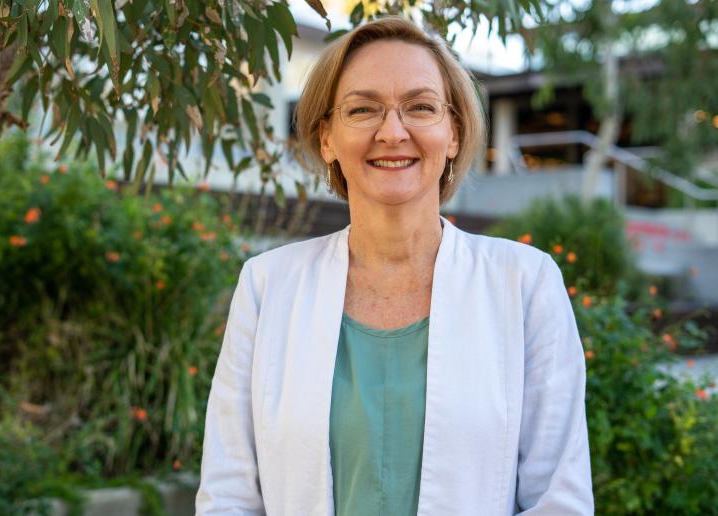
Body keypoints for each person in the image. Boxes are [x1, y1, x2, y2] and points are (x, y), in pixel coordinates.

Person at [196, 17, 593, 516]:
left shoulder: (524, 284)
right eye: (362, 109)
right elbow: (228, 495)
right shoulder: (266, 286)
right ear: (326, 139)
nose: (392, 131)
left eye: (420, 107)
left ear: (453, 133)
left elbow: (560, 501)